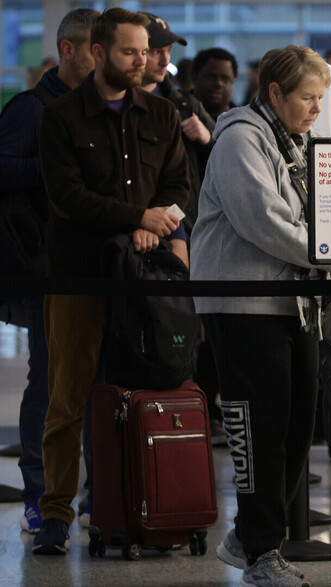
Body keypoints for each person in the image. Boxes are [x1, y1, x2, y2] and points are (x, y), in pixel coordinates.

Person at [191, 44, 331, 586]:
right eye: (307, 97)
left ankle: (249, 537)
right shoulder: (241, 138)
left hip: (296, 305)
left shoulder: (298, 141)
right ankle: (262, 552)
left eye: (322, 98)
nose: (317, 108)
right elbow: (264, 222)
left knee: (296, 429)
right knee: (259, 428)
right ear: (274, 93)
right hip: (244, 305)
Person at [34, 7, 189, 554]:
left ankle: (127, 505)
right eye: (130, 51)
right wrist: (136, 218)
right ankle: (54, 513)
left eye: (145, 51)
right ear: (98, 53)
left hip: (140, 279)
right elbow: (67, 196)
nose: (142, 60)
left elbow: (178, 184)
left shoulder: (162, 115)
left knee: (139, 394)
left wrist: (161, 220)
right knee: (67, 398)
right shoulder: (59, 117)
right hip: (78, 278)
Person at [0, 6, 99, 537]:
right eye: (96, 49)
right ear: (69, 50)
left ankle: (87, 494)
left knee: (90, 382)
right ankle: (41, 493)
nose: (105, 59)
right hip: (44, 267)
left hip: (95, 269)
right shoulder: (31, 110)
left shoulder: (102, 108)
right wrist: (58, 172)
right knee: (50, 381)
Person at [140, 12, 216, 236]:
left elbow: (225, 160)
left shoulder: (186, 104)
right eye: (156, 52)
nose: (165, 61)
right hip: (134, 223)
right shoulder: (117, 105)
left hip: (184, 221)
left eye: (169, 51)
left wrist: (207, 139)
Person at [193, 47, 238, 120]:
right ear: (194, 77)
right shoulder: (176, 115)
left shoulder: (242, 122)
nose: (218, 84)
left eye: (225, 79)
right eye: (211, 77)